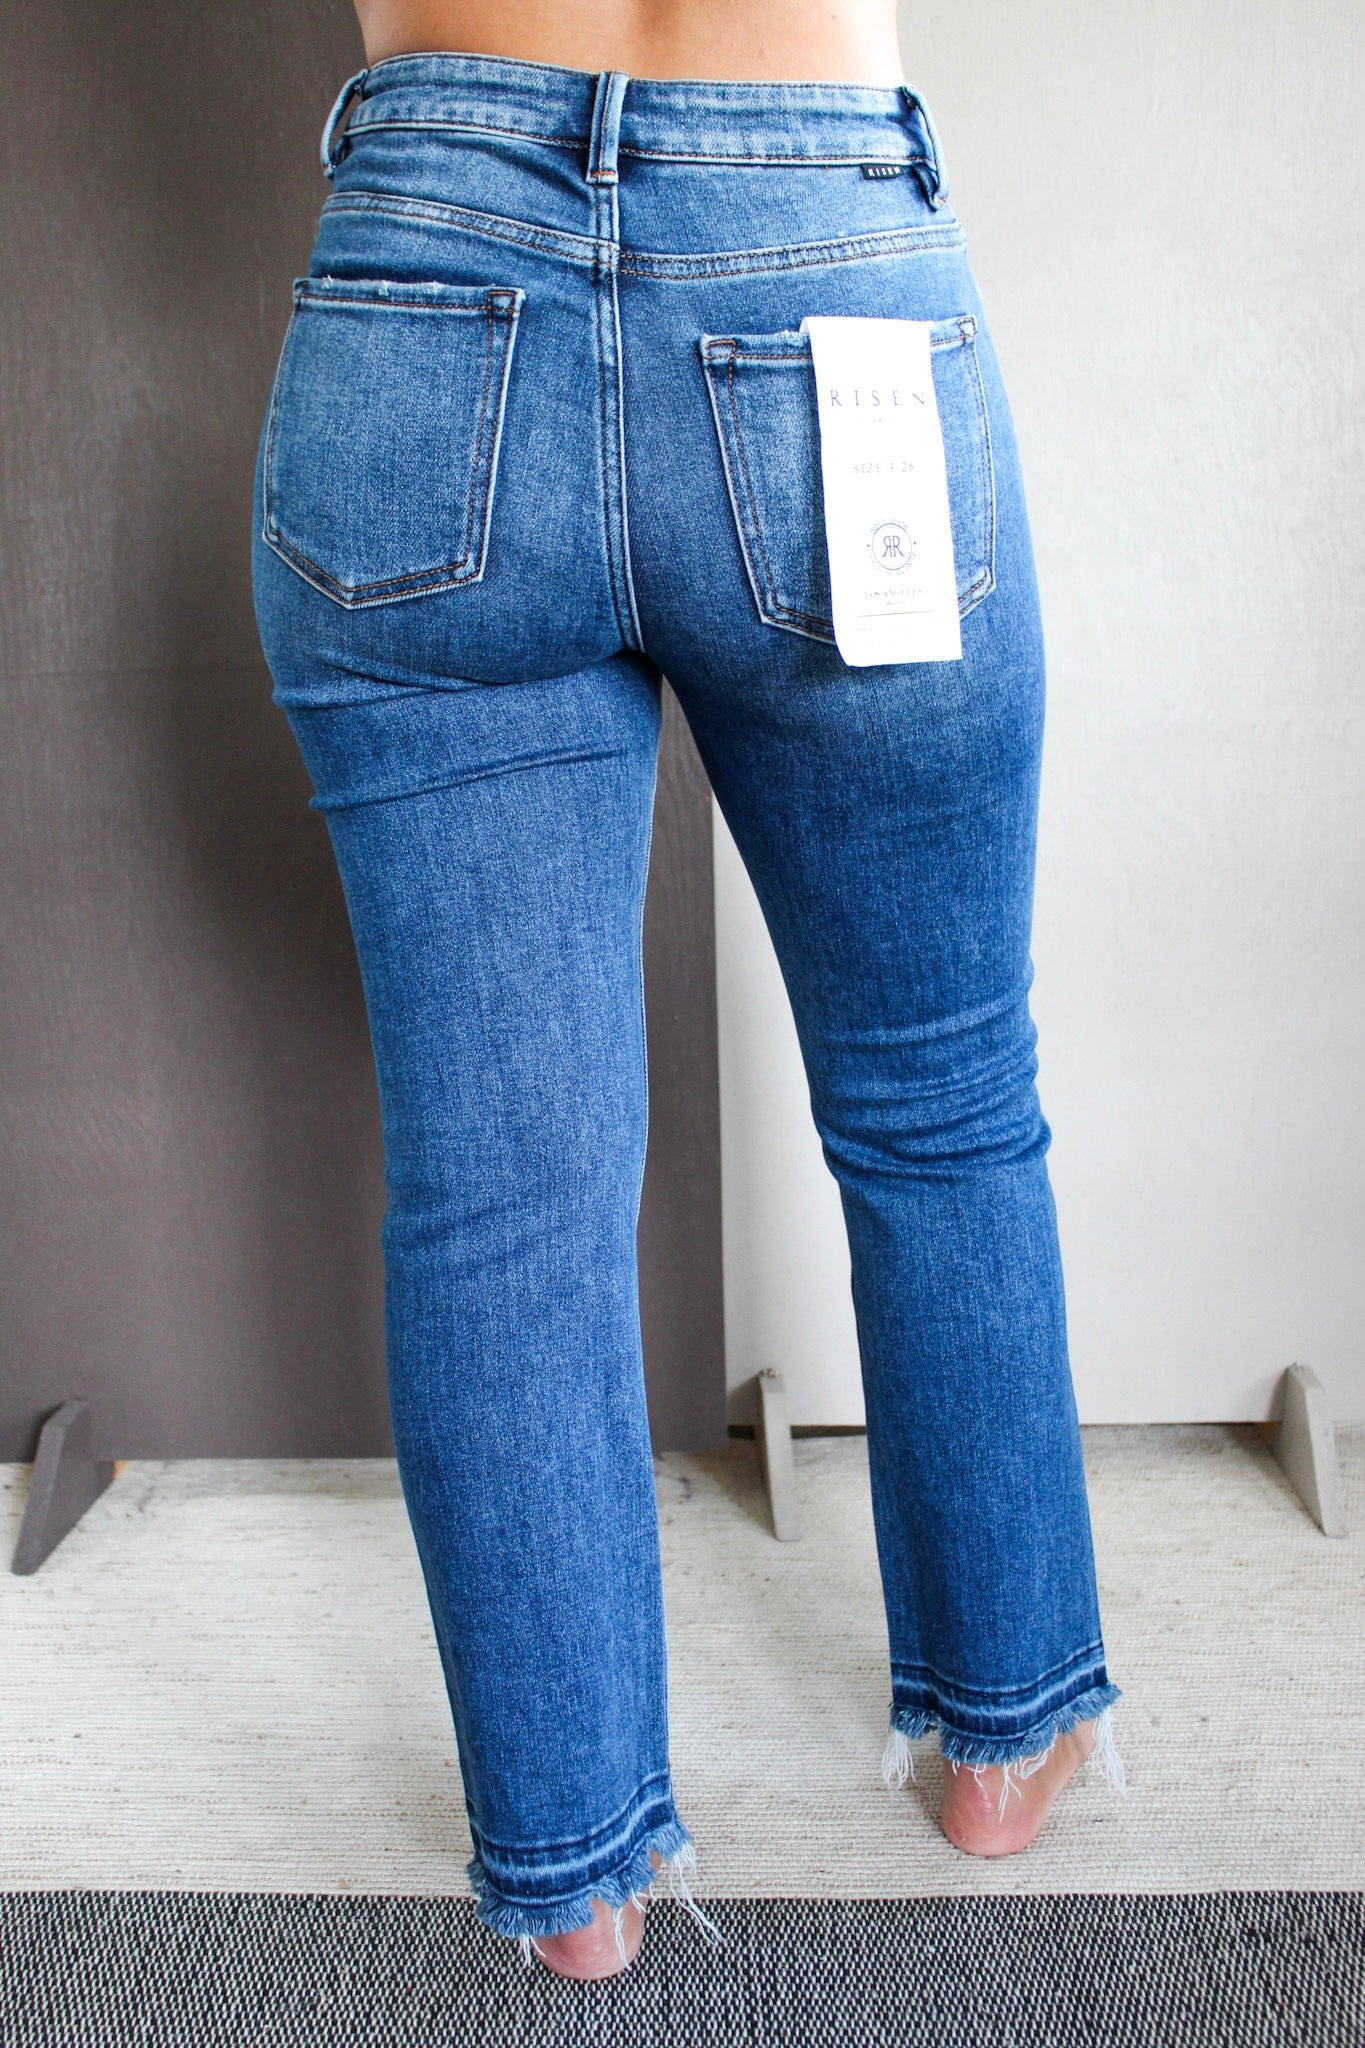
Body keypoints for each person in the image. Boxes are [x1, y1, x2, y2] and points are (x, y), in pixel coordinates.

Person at [252, 0, 1123, 1983]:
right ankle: (1003, 1744)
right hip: (817, 249)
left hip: (426, 270)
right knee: (935, 1101)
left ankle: (572, 1879)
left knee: (501, 1195)